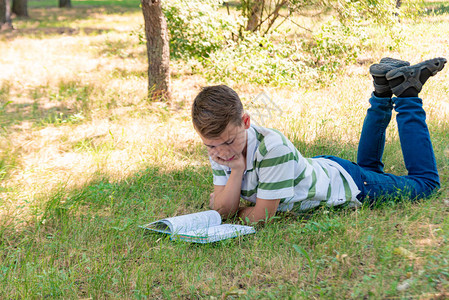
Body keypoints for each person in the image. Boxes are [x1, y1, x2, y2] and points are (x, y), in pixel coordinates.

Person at [191, 57, 447, 224]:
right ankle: (382, 89)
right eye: (211, 146)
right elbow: (222, 210)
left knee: (425, 184)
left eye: (228, 142)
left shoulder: (271, 148)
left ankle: (408, 94)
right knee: (368, 169)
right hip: (324, 170)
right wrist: (235, 169)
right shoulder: (220, 145)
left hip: (348, 185)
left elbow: (260, 216)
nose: (221, 152)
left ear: (246, 122)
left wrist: (235, 208)